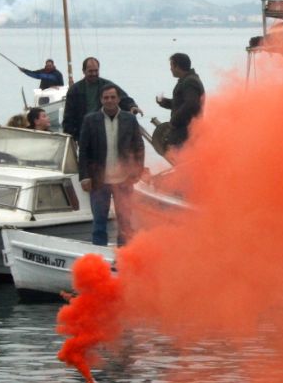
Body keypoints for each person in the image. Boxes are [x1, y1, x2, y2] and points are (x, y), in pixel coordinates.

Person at [77, 85, 146, 247]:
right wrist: (84, 176)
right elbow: (84, 151)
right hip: (99, 181)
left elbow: (139, 146)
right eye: (106, 98)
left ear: (118, 99)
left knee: (125, 222)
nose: (109, 101)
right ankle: (99, 258)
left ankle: (125, 256)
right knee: (99, 223)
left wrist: (138, 171)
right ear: (101, 100)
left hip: (124, 180)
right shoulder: (90, 120)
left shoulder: (129, 120)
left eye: (112, 97)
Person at [61, 57, 137, 136]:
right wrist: (72, 135)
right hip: (83, 131)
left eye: (96, 71)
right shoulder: (74, 90)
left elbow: (123, 98)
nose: (94, 73)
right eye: (90, 71)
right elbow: (68, 117)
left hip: (104, 131)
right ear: (83, 71)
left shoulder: (107, 85)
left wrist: (131, 106)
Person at [155, 52, 205, 151]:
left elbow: (191, 104)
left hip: (186, 133)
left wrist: (174, 121)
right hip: (185, 132)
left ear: (177, 66)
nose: (170, 69)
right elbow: (182, 103)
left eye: (171, 66)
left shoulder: (190, 82)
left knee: (183, 163)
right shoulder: (188, 80)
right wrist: (164, 102)